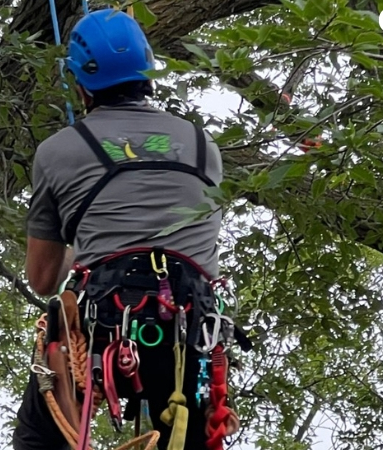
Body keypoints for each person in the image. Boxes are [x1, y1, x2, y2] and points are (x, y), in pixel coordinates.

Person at [13, 8, 233, 450]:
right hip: (190, 331)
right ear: (147, 69)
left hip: (106, 325)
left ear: (78, 81)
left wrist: (83, 245)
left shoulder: (59, 151)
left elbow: (42, 278)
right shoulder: (201, 144)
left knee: (39, 436)